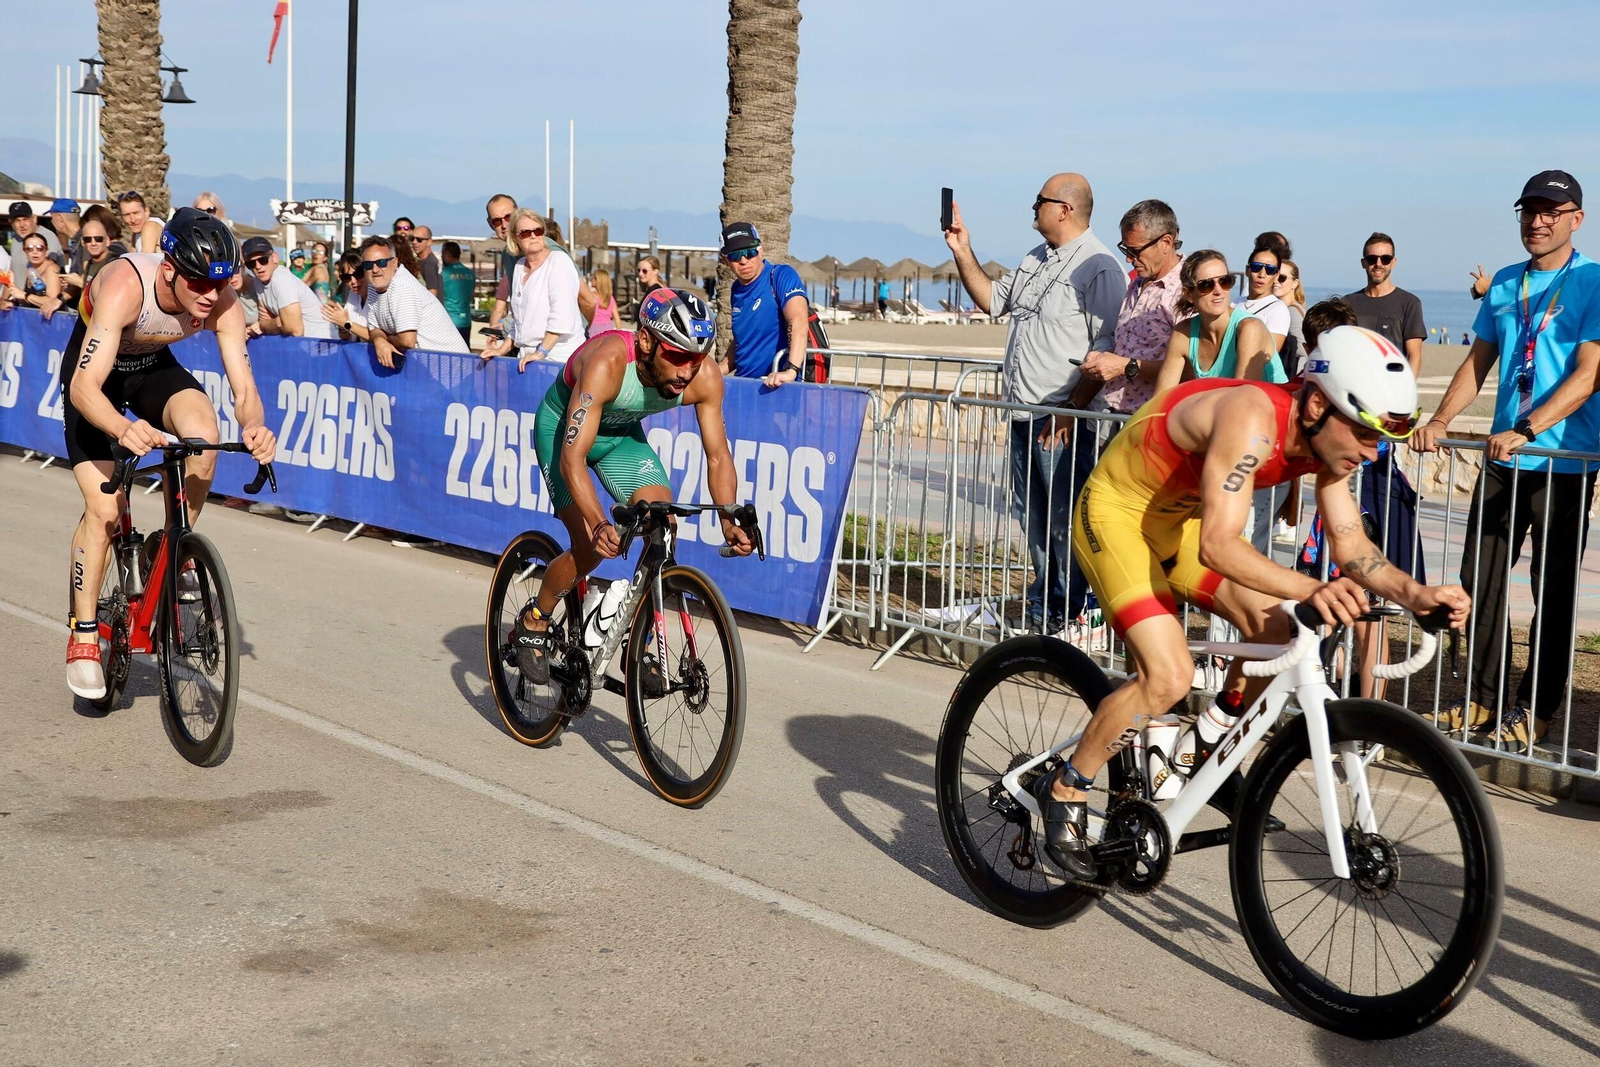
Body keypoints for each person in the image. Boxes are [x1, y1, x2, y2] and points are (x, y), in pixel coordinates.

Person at [1032, 325, 1469, 878]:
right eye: (1363, 431)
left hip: (1177, 526)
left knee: (1277, 633)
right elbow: (1219, 545)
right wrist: (1313, 589)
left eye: (1379, 435)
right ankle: (1067, 785)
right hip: (1117, 516)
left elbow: (1352, 544)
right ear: (1316, 404)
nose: (1372, 448)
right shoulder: (1252, 419)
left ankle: (1208, 742)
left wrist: (1416, 594)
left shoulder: (1324, 448)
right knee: (1168, 677)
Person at [1415, 169, 1600, 750]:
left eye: (1550, 211)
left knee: (1554, 590)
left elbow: (1590, 374)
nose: (1537, 221)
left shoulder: (1593, 280)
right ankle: (1480, 696)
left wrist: (1527, 427)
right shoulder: (1504, 285)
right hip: (1504, 458)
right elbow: (1476, 364)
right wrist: (1440, 420)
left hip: (1563, 459)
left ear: (1576, 218)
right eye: (1529, 210)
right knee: (1480, 581)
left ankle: (1536, 708)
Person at [60, 208, 277, 699]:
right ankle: (84, 633)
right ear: (168, 270)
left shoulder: (221, 299)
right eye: (197, 283)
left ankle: (173, 550)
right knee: (105, 509)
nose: (208, 296)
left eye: (217, 285)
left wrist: (255, 425)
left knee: (203, 436)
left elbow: (244, 387)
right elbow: (84, 386)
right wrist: (123, 427)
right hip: (95, 379)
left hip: (153, 368)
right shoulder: (124, 284)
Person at [508, 288, 753, 685]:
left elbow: (718, 456)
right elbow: (573, 458)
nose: (687, 371)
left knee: (663, 523)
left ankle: (635, 642)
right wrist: (599, 521)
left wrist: (728, 520)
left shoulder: (703, 377)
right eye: (676, 356)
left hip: (619, 437)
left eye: (697, 357)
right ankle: (534, 618)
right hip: (562, 434)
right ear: (645, 341)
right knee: (591, 546)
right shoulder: (608, 361)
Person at [944, 172, 1126, 633]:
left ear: (1064, 209)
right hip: (1023, 412)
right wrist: (963, 249)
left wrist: (1071, 408)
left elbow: (1106, 344)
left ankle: (1076, 611)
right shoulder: (1035, 257)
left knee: (1067, 519)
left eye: (1040, 201)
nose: (1033, 207)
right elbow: (992, 301)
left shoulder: (1100, 265)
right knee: (1033, 514)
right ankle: (1046, 607)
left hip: (1063, 416)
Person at [1075, 198, 1184, 419]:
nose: (1128, 259)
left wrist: (1126, 365)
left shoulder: (1189, 291)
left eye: (1135, 251)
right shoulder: (1135, 283)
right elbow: (1125, 349)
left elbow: (1194, 370)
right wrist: (1104, 360)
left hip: (1155, 421)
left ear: (1165, 242)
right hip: (1114, 415)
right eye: (1125, 249)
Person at [1153, 251, 1286, 391]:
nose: (1218, 290)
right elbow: (1161, 396)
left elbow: (1241, 399)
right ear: (1189, 294)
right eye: (1206, 285)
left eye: (1224, 281)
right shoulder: (1183, 333)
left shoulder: (1249, 328)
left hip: (1265, 410)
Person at [480, 209, 585, 365]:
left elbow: (561, 317)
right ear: (515, 238)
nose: (533, 235)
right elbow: (519, 321)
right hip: (527, 358)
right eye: (525, 233)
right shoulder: (519, 266)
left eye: (538, 230)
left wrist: (540, 352)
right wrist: (501, 350)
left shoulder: (559, 261)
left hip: (559, 358)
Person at [721, 222, 811, 387]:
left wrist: (791, 370)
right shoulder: (736, 288)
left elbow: (798, 321)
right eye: (735, 255)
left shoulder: (780, 276)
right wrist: (720, 368)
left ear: (760, 251)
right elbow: (743, 338)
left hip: (778, 385)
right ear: (725, 259)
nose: (743, 260)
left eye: (749, 252)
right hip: (744, 386)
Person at [361, 234, 470, 363]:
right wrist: (379, 340)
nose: (375, 269)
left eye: (381, 262)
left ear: (395, 262)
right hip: (427, 366)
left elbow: (407, 341)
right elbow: (374, 328)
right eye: (368, 265)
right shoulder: (374, 286)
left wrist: (385, 338)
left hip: (452, 367)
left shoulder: (402, 287)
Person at [1343, 233, 1426, 369]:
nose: (1378, 264)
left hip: (1393, 386)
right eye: (1372, 259)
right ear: (1363, 263)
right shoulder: (1346, 303)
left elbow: (1414, 355)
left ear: (1393, 262)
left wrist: (1406, 388)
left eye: (1385, 259)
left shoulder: (1409, 303)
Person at [240, 237, 338, 340]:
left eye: (263, 260)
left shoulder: (281, 279)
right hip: (304, 343)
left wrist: (266, 325)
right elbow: (265, 319)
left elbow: (295, 329)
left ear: (274, 258)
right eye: (251, 263)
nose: (258, 266)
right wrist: (278, 322)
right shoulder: (258, 281)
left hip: (323, 343)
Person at [60, 205, 130, 309]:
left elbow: (110, 294)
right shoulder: (90, 263)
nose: (93, 243)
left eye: (98, 238)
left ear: (107, 240)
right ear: (83, 242)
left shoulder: (115, 260)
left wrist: (79, 282)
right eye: (88, 239)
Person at [1237, 243, 1290, 353]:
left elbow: (1270, 354)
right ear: (1247, 270)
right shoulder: (1235, 303)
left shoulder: (1278, 310)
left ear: (1276, 275)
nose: (1262, 274)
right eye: (1256, 267)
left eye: (1270, 270)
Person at [7, 202, 62, 294]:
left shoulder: (47, 237)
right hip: (21, 302)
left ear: (34, 219)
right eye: (17, 220)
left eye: (25, 219)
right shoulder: (16, 240)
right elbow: (13, 272)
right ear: (11, 222)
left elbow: (49, 269)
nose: (22, 225)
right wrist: (4, 300)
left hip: (40, 301)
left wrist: (27, 297)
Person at [4, 232, 63, 317]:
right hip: (36, 321)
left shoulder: (51, 269)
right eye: (29, 248)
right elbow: (31, 301)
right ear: (24, 251)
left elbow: (52, 301)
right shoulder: (31, 268)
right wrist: (12, 300)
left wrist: (24, 295)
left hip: (54, 323)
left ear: (47, 251)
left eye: (40, 248)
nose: (35, 252)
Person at [484, 193, 520, 333]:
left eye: (508, 217)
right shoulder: (508, 253)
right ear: (490, 224)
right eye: (497, 221)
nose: (504, 225)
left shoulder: (539, 247)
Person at [322, 251, 375, 342]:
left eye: (358, 274)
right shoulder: (353, 295)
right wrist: (342, 326)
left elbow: (379, 337)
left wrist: (346, 323)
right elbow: (345, 336)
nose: (353, 281)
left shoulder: (378, 295)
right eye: (347, 277)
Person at [1273, 259, 1308, 377]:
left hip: (1293, 372)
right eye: (1274, 276)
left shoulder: (1292, 311)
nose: (1276, 281)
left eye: (1282, 278)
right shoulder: (1288, 308)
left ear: (1294, 283)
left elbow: (1301, 348)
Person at [439, 240, 476, 346]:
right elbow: (472, 295)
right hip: (466, 321)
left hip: (449, 321)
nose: (442, 257)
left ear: (448, 254)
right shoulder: (470, 273)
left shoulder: (444, 273)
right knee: (464, 355)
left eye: (443, 254)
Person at [411, 225, 441, 297]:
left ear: (429, 242)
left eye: (419, 239)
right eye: (412, 238)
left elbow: (432, 292)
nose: (414, 242)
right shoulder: (420, 261)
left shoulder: (429, 263)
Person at [587, 269, 620, 335]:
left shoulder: (591, 295)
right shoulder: (610, 298)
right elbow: (617, 318)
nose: (591, 279)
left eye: (593, 277)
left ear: (598, 280)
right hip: (607, 328)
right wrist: (619, 332)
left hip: (592, 327)